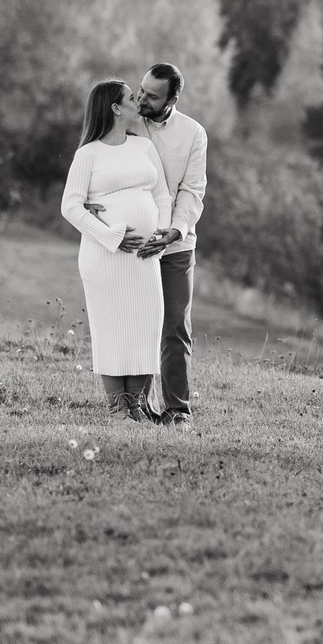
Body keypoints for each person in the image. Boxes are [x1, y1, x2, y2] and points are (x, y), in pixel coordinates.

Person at [59, 77, 176, 421]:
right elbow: (71, 206)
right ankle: (117, 408)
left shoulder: (144, 147)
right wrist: (112, 237)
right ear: (115, 108)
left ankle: (135, 406)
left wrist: (159, 235)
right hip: (105, 256)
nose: (137, 102)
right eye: (130, 98)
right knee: (112, 328)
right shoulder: (89, 154)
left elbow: (162, 196)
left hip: (145, 256)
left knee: (146, 325)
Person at [132, 61, 209, 424]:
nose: (141, 99)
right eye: (141, 90)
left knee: (175, 326)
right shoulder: (126, 121)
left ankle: (177, 409)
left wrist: (176, 230)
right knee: (137, 324)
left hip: (177, 246)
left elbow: (192, 190)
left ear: (172, 99)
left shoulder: (193, 133)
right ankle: (137, 405)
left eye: (152, 96)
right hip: (134, 243)